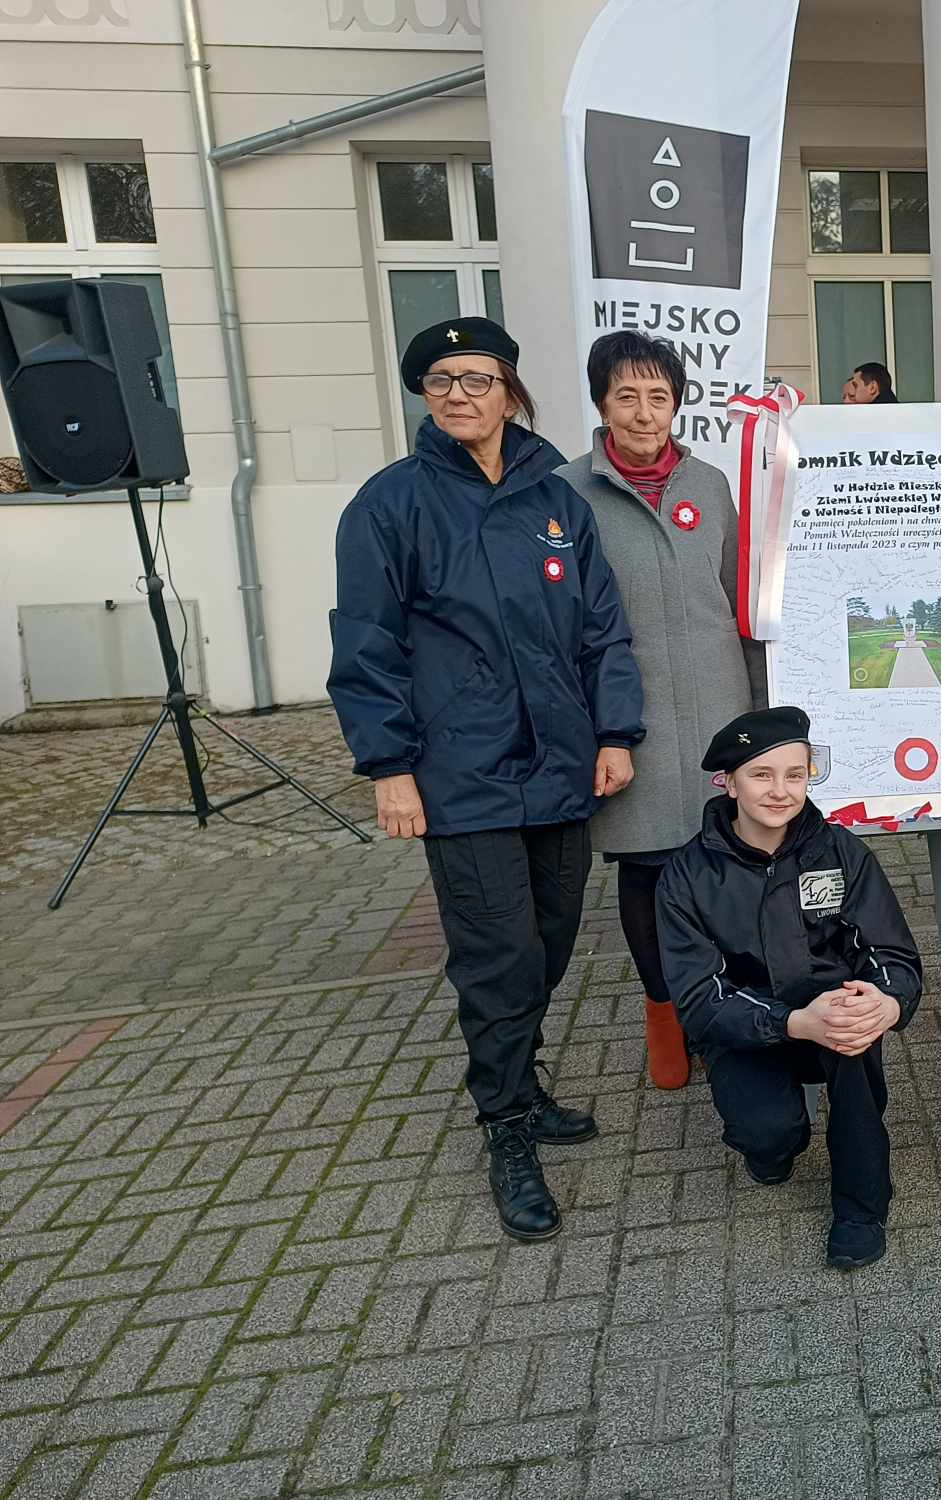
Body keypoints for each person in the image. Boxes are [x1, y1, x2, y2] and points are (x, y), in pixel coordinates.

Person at [328, 315, 644, 1242]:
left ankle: (522, 1082)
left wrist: (615, 731)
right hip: (458, 776)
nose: (459, 395)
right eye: (439, 381)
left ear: (510, 389)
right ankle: (505, 1124)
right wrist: (388, 766)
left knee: (546, 942)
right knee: (498, 954)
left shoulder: (558, 502)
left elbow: (601, 629)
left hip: (558, 766)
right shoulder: (388, 506)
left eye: (476, 378)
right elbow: (367, 644)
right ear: (423, 397)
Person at [558, 331, 766, 1095]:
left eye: (658, 396)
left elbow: (739, 601)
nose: (644, 413)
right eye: (626, 396)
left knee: (724, 863)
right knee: (646, 868)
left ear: (677, 402)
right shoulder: (565, 491)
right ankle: (663, 1012)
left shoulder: (709, 484)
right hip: (627, 717)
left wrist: (761, 712)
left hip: (718, 707)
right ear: (600, 402)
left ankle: (728, 1001)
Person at [655, 707, 923, 1269]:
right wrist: (792, 1022)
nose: (780, 791)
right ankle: (772, 1143)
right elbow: (700, 999)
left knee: (855, 1051)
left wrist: (886, 1003)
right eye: (761, 775)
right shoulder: (686, 875)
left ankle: (861, 1207)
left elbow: (892, 951)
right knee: (771, 1136)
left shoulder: (841, 851)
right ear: (727, 783)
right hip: (746, 1024)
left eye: (794, 775)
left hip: (831, 1011)